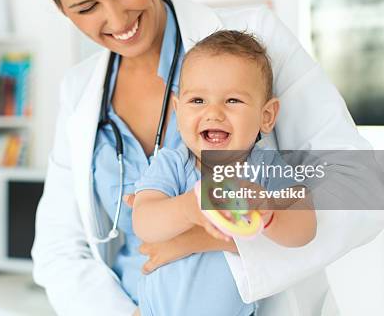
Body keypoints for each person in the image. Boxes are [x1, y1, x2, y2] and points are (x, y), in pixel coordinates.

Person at [29, 0, 384, 315]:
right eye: (86, 7)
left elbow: (360, 187)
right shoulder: (79, 92)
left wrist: (219, 239)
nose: (116, 19)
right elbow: (59, 246)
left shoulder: (255, 40)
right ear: (60, 8)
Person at [132, 30, 316, 316]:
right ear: (177, 110)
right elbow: (144, 222)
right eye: (197, 101)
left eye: (232, 101)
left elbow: (306, 228)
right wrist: (188, 208)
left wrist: (271, 212)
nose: (213, 113)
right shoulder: (173, 164)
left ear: (266, 116)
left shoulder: (265, 168)